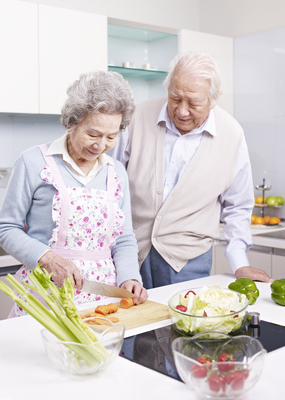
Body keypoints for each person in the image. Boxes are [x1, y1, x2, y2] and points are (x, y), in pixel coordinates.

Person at [112, 52, 272, 289]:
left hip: (188, 262)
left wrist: (239, 262)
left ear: (214, 98)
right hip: (129, 255)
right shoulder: (137, 117)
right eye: (175, 98)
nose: (182, 111)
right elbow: (110, 183)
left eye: (194, 103)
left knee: (184, 325)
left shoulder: (232, 134)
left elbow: (238, 205)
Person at [0, 70, 148, 317]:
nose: (100, 146)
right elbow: (6, 229)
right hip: (46, 294)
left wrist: (130, 276)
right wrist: (47, 258)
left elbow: (123, 238)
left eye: (112, 137)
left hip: (103, 299)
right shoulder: (33, 162)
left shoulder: (116, 171)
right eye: (93, 134)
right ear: (73, 121)